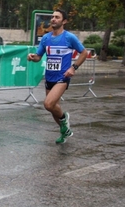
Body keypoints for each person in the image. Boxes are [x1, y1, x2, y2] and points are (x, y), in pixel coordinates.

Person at [27, 9, 88, 144]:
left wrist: (74, 67)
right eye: (52, 17)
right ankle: (65, 131)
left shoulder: (69, 37)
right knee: (54, 108)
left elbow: (84, 53)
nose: (53, 19)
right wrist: (32, 57)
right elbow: (38, 57)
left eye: (57, 17)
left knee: (48, 104)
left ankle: (64, 118)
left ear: (64, 21)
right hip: (49, 77)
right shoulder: (46, 38)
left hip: (62, 77)